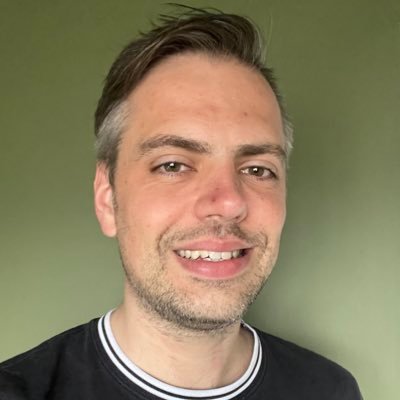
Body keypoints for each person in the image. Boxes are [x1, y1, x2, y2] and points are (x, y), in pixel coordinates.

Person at [0, 7, 363, 400]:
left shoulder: (332, 391)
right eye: (172, 165)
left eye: (258, 169)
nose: (228, 202)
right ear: (107, 199)